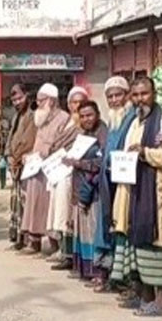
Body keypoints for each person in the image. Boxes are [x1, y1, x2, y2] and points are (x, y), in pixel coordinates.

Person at [109, 77, 162, 317]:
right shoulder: (134, 121)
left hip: (153, 193)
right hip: (133, 192)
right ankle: (145, 296)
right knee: (136, 243)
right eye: (135, 95)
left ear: (154, 93)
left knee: (155, 243)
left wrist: (145, 153)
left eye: (144, 94)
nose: (139, 99)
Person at [20, 84, 74, 255]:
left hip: (52, 169)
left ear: (51, 101)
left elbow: (62, 145)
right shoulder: (41, 118)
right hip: (36, 169)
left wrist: (46, 154)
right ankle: (33, 241)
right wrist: (30, 155)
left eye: (41, 100)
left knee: (51, 208)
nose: (39, 104)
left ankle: (54, 244)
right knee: (33, 205)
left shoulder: (64, 118)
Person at [92, 76, 133, 291]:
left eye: (118, 95)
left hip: (124, 183)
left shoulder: (132, 118)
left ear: (127, 96)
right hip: (107, 182)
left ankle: (120, 279)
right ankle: (104, 273)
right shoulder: (113, 121)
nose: (115, 100)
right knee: (105, 226)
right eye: (110, 96)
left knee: (120, 227)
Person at [65, 100, 108, 286]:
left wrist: (79, 164)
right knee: (83, 231)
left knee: (94, 232)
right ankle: (86, 270)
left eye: (89, 115)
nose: (86, 119)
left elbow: (102, 163)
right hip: (82, 188)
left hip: (95, 191)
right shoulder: (84, 135)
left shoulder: (102, 134)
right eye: (82, 116)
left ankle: (99, 273)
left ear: (97, 114)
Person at [48, 86, 88, 271]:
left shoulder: (85, 124)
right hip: (58, 171)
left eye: (80, 102)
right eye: (73, 102)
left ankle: (69, 255)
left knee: (67, 214)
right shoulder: (67, 123)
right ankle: (63, 251)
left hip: (72, 174)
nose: (76, 106)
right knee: (59, 212)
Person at [6, 84, 36, 249]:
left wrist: (16, 157)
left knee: (25, 203)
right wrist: (9, 155)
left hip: (25, 164)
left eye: (20, 98)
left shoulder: (32, 117)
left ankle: (27, 239)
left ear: (27, 96)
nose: (17, 102)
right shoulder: (16, 117)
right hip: (15, 164)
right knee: (15, 204)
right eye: (15, 99)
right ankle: (17, 237)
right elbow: (11, 138)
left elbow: (27, 141)